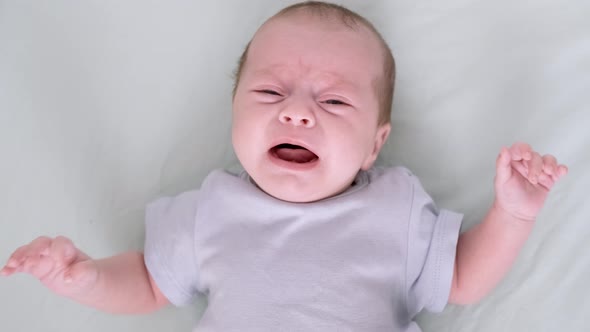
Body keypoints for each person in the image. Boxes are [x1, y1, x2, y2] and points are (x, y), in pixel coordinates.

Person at [0, 2, 568, 331]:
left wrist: (512, 214)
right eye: (270, 93)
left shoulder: (395, 206)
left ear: (375, 145)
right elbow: (150, 282)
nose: (297, 113)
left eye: (334, 101)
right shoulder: (210, 209)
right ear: (233, 115)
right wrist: (86, 276)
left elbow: (463, 277)